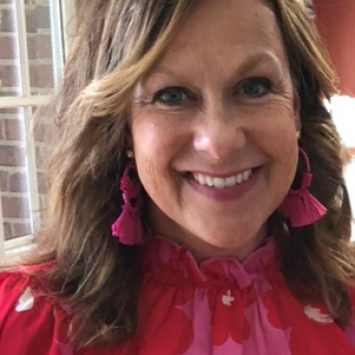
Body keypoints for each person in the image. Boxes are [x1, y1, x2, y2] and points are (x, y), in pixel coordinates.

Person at [1, 0, 355, 354]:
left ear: (295, 108)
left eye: (254, 87)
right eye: (171, 96)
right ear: (123, 127)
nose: (218, 142)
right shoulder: (24, 325)